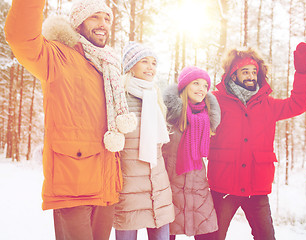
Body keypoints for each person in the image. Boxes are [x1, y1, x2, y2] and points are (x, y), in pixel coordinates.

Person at [5, 0, 137, 239]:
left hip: (106, 184)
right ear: (79, 22)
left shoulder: (108, 66)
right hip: (74, 183)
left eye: (107, 19)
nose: (103, 24)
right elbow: (21, 37)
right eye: (95, 17)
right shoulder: (57, 56)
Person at [207, 42, 306, 240]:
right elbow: (190, 112)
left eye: (254, 72)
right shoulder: (216, 101)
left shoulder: (268, 105)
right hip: (223, 187)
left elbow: (298, 103)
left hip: (256, 188)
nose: (250, 76)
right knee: (211, 237)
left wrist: (303, 73)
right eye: (245, 71)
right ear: (233, 75)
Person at [113, 41, 175, 240]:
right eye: (144, 61)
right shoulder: (119, 96)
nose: (151, 67)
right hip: (129, 186)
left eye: (154, 63)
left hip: (157, 185)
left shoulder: (155, 95)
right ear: (131, 65)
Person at [162, 66, 221, 240]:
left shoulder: (207, 118)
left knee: (208, 234)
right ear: (184, 86)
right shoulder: (168, 117)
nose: (201, 89)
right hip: (170, 188)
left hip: (198, 189)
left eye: (205, 85)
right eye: (196, 83)